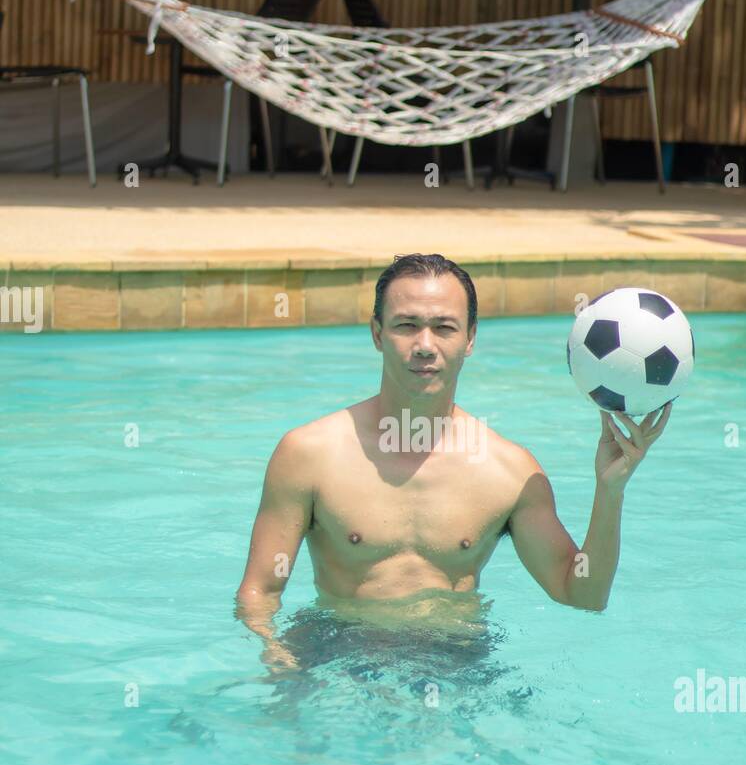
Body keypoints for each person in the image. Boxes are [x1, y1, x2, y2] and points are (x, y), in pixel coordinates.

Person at [236, 253, 671, 669]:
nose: (425, 346)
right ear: (376, 333)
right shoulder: (309, 454)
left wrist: (609, 490)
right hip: (335, 651)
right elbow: (260, 592)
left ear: (470, 339)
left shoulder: (509, 471)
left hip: (455, 661)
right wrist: (276, 660)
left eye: (444, 327)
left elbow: (583, 594)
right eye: (406, 325)